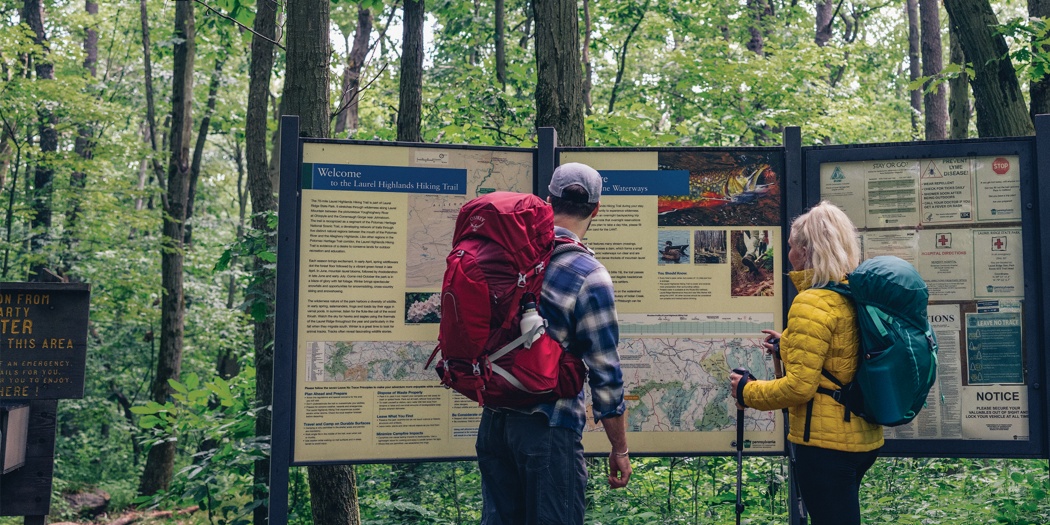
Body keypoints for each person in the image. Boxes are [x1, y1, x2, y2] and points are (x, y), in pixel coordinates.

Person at [475, 162, 631, 525]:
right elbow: (605, 373)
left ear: (548, 201)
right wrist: (619, 448)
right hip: (548, 427)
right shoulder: (589, 275)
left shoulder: (508, 257)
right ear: (596, 209)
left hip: (495, 424)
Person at [730, 201, 882, 525]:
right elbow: (840, 357)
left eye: (789, 247)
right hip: (862, 438)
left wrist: (747, 391)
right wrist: (789, 346)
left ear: (804, 249)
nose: (787, 256)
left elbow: (799, 387)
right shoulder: (852, 293)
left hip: (827, 448)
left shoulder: (811, 302)